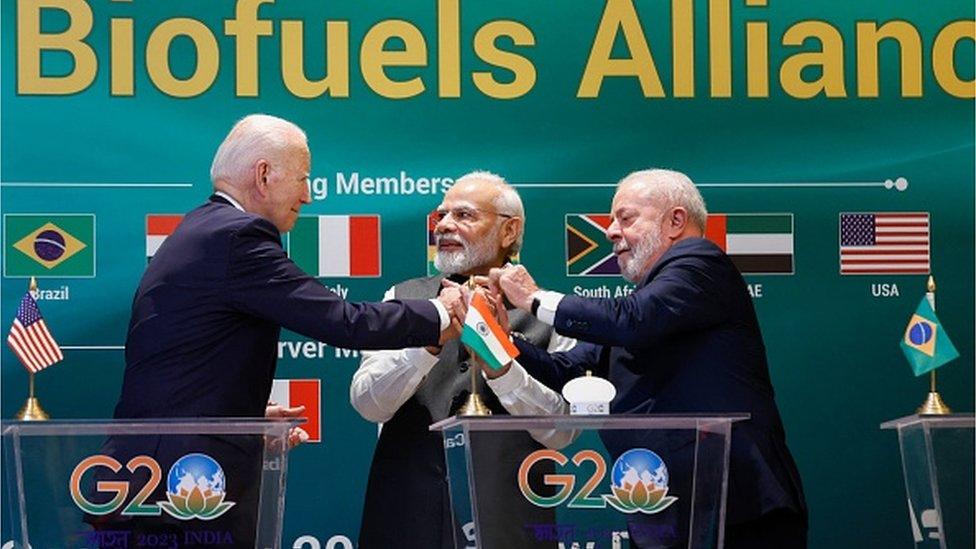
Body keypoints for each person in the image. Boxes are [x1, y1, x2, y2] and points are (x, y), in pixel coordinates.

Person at [100, 114, 466, 546]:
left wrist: (244, 418)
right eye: (303, 179)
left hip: (153, 471)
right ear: (264, 175)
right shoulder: (238, 236)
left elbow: (187, 366)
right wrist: (439, 313)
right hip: (185, 481)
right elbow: (342, 321)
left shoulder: (201, 227)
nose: (308, 196)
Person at [487, 169, 807, 548]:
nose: (610, 232)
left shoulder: (700, 264)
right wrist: (499, 336)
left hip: (735, 507)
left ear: (675, 221)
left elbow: (634, 319)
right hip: (664, 513)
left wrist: (533, 298)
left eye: (626, 218)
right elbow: (566, 371)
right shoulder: (642, 309)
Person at [350, 171, 575, 549]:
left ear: (509, 231)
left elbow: (561, 431)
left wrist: (500, 366)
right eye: (442, 216)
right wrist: (427, 345)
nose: (445, 226)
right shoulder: (402, 297)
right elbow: (368, 403)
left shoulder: (549, 311)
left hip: (511, 520)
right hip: (409, 516)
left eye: (465, 216)